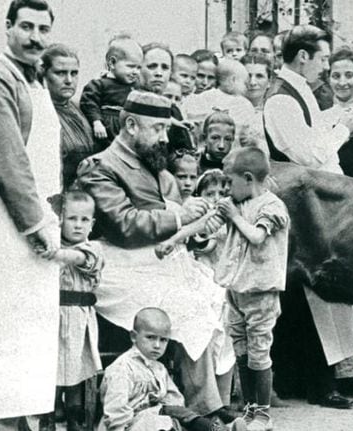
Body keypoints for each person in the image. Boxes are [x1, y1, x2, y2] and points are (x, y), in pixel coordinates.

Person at [77, 90, 230, 422]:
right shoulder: (100, 167)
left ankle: (213, 401)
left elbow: (169, 221)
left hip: (155, 261)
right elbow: (124, 225)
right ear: (131, 125)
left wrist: (196, 225)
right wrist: (179, 216)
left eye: (166, 129)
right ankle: (204, 410)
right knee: (189, 303)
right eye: (157, 128)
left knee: (218, 294)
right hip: (117, 266)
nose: (164, 138)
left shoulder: (151, 164)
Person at [0, 0, 62, 429]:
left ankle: (27, 423)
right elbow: (8, 162)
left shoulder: (36, 81)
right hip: (9, 221)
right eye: (26, 27)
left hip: (39, 215)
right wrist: (36, 225)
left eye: (43, 29)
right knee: (5, 331)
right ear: (8, 27)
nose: (34, 38)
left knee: (33, 331)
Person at [264, 24, 353, 409]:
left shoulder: (301, 89)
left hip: (311, 200)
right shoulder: (280, 100)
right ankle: (317, 383)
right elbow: (308, 154)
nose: (326, 66)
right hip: (296, 202)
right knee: (308, 290)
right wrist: (343, 130)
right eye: (322, 58)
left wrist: (340, 119)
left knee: (309, 291)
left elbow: (314, 134)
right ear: (303, 56)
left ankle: (310, 380)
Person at [205, 147, 289, 431]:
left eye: (230, 182)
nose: (227, 189)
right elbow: (208, 227)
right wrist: (178, 237)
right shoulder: (237, 203)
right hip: (236, 288)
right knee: (241, 350)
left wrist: (233, 216)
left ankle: (263, 415)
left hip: (261, 291)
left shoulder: (272, 206)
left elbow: (256, 236)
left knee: (259, 351)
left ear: (249, 178)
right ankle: (250, 410)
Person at [99, 308, 231, 431]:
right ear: (134, 336)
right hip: (129, 425)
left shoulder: (159, 368)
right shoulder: (122, 369)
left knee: (176, 415)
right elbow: (116, 413)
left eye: (163, 340)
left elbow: (174, 399)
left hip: (155, 420)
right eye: (150, 337)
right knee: (163, 421)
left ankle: (215, 427)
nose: (157, 345)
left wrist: (167, 410)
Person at [47, 190, 105, 431]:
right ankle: (51, 413)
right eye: (72, 218)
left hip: (77, 319)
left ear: (92, 223)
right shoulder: (53, 244)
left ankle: (75, 417)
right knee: (52, 368)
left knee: (75, 369)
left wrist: (57, 254)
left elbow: (81, 259)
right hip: (53, 317)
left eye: (84, 220)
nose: (78, 225)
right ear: (61, 220)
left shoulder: (93, 248)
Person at [41, 43, 102, 189]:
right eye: (60, 73)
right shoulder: (40, 113)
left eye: (74, 73)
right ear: (44, 74)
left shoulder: (82, 108)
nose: (69, 80)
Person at [80, 36, 142, 145]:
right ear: (112, 63)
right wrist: (97, 122)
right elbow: (88, 103)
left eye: (138, 68)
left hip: (130, 130)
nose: (136, 72)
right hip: (108, 131)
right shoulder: (100, 84)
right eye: (131, 66)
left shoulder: (136, 86)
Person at [183, 59, 258, 137]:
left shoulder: (198, 98)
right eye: (244, 83)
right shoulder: (244, 104)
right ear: (233, 79)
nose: (246, 87)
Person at [241, 54, 273, 135]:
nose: (252, 82)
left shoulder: (273, 112)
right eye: (247, 76)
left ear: (269, 81)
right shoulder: (228, 108)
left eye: (259, 76)